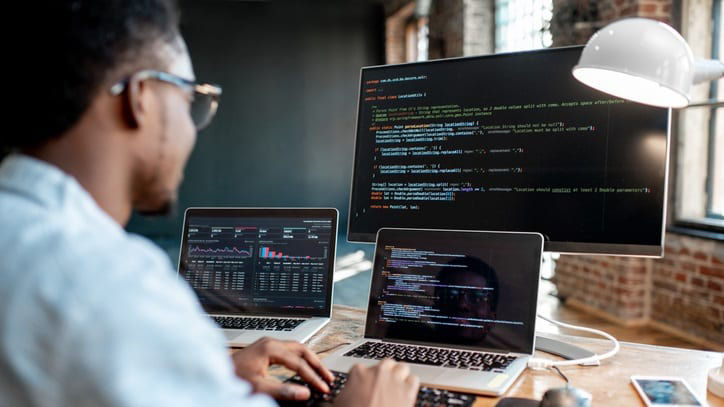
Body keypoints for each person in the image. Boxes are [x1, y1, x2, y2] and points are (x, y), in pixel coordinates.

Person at [0, 1, 419, 406]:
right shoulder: (113, 283)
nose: (193, 128)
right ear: (140, 97)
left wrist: (210, 374)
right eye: (190, 98)